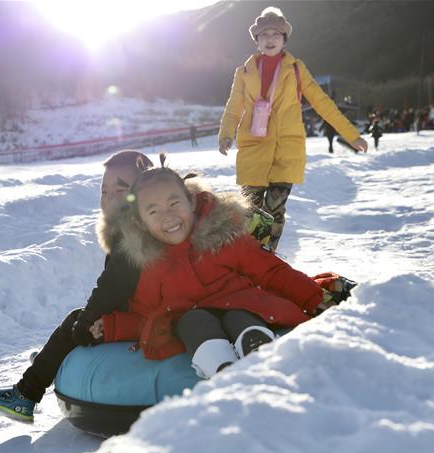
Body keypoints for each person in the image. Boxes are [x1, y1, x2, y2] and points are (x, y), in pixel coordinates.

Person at [94, 158, 344, 379]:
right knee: (193, 320)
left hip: (243, 306)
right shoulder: (149, 265)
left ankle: (259, 348)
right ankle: (220, 368)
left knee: (240, 314)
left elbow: (272, 271)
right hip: (193, 323)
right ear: (141, 222)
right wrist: (114, 326)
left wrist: (314, 298)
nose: (167, 216)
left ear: (191, 201)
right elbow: (145, 314)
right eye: (153, 211)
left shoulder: (223, 237)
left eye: (174, 204)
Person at [0, 150, 152, 422]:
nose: (109, 196)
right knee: (77, 322)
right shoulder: (135, 226)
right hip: (136, 313)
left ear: (142, 192)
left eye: (120, 188)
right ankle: (50, 361)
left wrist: (86, 323)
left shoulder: (131, 236)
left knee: (75, 321)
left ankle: (26, 394)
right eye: (104, 190)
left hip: (139, 323)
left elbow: (111, 289)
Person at [218, 6, 367, 252]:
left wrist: (351, 135)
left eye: (276, 34)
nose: (270, 39)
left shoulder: (296, 69)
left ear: (284, 39)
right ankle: (250, 259)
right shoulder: (243, 73)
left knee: (275, 209)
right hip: (253, 149)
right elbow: (233, 107)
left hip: (286, 150)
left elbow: (322, 102)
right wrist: (226, 134)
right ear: (257, 40)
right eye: (264, 34)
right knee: (252, 212)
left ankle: (268, 258)